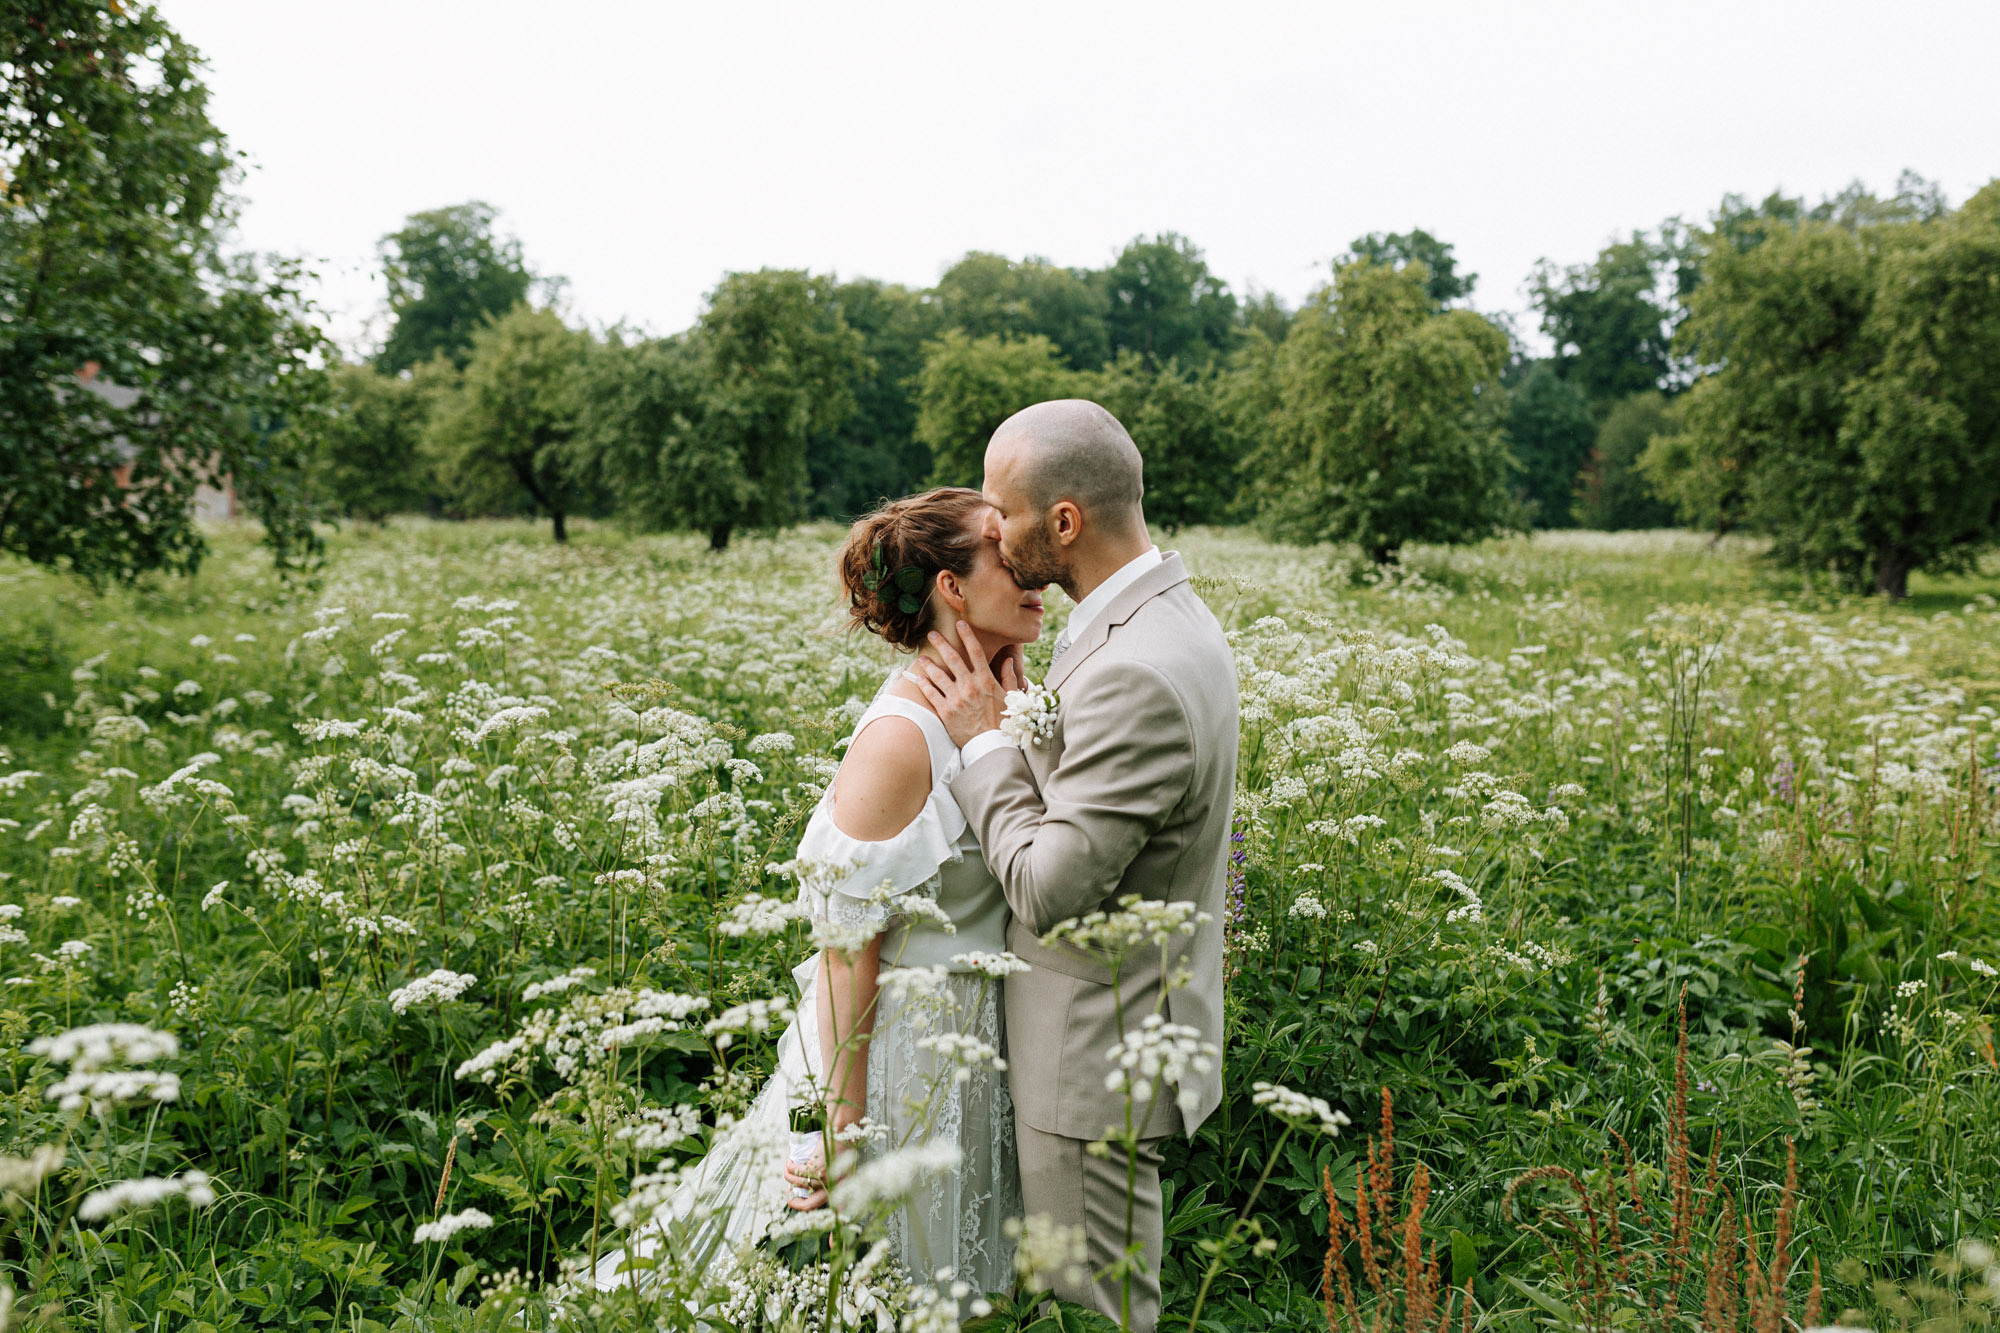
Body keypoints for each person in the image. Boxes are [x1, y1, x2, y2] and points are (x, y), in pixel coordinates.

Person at [586, 485, 1040, 1298]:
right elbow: (843, 949)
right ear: (952, 588)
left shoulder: (1007, 693)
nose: (1035, 571)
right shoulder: (902, 738)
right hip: (906, 1055)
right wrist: (841, 1127)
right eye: (1008, 558)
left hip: (987, 1038)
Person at [912, 400, 1238, 1332]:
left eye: (1000, 509)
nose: (990, 529)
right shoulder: (1156, 620)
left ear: (1063, 521)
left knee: (1090, 1314)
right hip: (1109, 1029)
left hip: (1092, 1050)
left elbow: (1050, 889)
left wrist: (985, 746)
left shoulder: (1138, 665)